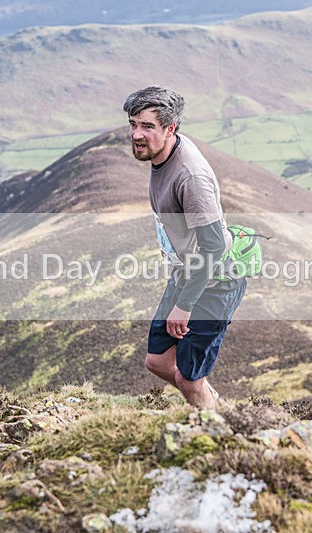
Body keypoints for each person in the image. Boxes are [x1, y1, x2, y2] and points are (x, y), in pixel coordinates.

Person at [123, 86, 246, 409]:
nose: (137, 134)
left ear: (170, 129)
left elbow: (215, 246)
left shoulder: (190, 177)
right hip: (186, 274)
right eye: (133, 123)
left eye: (147, 127)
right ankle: (214, 404)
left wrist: (185, 305)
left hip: (215, 282)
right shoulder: (163, 152)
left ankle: (215, 437)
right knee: (158, 362)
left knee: (187, 378)